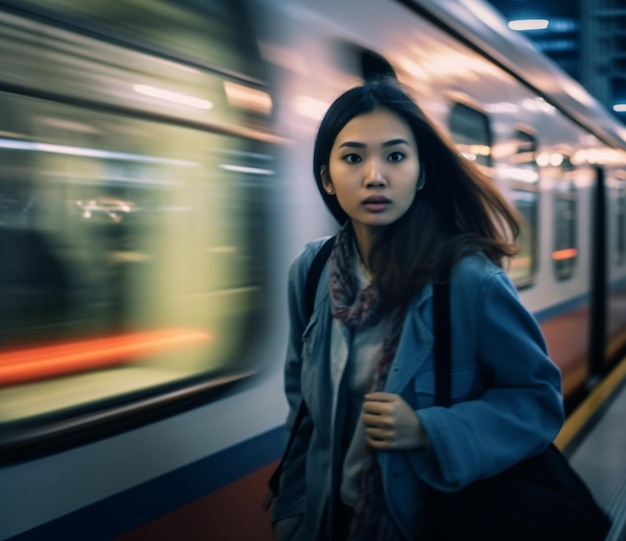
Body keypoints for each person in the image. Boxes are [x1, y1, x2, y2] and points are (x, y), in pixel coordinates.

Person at [271, 77, 564, 540]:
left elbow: (537, 401)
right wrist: (291, 515)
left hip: (428, 521)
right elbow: (302, 413)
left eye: (395, 156)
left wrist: (429, 430)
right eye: (352, 158)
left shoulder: (466, 280)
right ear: (326, 177)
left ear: (422, 171)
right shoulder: (311, 273)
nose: (375, 176)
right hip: (332, 522)